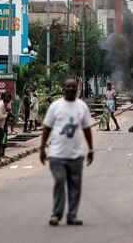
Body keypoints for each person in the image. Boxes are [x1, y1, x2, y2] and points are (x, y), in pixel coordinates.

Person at [40, 79, 93, 226]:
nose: (70, 89)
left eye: (73, 87)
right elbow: (47, 128)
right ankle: (56, 214)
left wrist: (91, 149)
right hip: (56, 154)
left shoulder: (82, 107)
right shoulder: (55, 106)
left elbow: (87, 129)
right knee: (59, 181)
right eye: (67, 86)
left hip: (76, 155)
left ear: (77, 89)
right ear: (63, 89)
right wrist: (42, 148)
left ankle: (72, 215)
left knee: (75, 186)